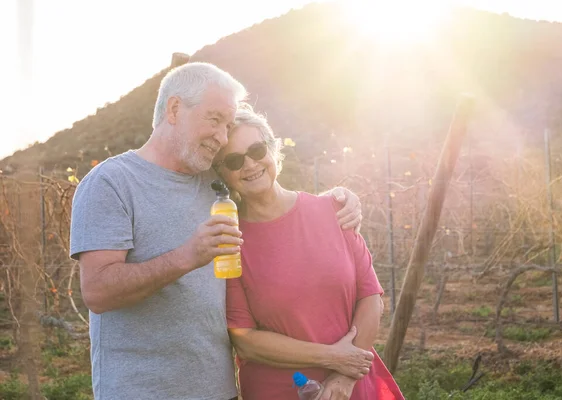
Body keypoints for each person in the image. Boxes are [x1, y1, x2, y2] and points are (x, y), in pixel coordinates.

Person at [69, 62, 365, 400]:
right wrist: (186, 257)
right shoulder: (111, 183)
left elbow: (267, 193)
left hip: (218, 390)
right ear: (175, 109)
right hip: (141, 391)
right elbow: (97, 292)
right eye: (215, 120)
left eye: (227, 125)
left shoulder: (214, 180)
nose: (222, 137)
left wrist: (335, 200)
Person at [217, 104, 404, 400]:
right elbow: (245, 340)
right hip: (278, 391)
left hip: (351, 387)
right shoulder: (230, 239)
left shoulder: (333, 209)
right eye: (234, 161)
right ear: (223, 175)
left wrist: (343, 377)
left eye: (255, 151)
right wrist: (333, 357)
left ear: (272, 149)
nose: (250, 165)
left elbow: (370, 296)